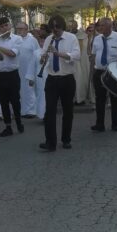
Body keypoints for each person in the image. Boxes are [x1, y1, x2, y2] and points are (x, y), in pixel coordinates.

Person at [39, 15, 81, 151]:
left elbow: (76, 55)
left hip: (67, 78)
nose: (55, 30)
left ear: (62, 26)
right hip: (52, 78)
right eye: (52, 27)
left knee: (68, 111)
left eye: (57, 27)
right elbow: (43, 56)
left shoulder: (71, 38)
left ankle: (66, 139)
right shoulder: (48, 39)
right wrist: (43, 58)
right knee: (50, 111)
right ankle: (50, 142)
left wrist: (59, 54)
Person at [90, 17, 117, 132]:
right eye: (99, 26)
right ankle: (99, 124)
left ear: (110, 26)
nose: (100, 28)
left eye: (102, 25)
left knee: (115, 98)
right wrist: (92, 71)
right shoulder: (97, 39)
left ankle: (115, 123)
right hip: (99, 71)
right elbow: (94, 55)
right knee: (100, 98)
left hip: (114, 72)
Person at [0, 16, 23, 137]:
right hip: (0, 75)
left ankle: (19, 123)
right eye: (2, 26)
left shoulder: (17, 39)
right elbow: (0, 58)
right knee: (3, 102)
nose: (5, 28)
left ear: (10, 26)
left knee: (15, 101)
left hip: (12, 75)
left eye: (6, 25)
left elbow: (12, 54)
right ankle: (8, 126)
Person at [14, 22, 39, 117]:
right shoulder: (14, 39)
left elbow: (37, 54)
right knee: (18, 90)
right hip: (17, 69)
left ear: (26, 29)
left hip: (29, 69)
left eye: (21, 28)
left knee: (29, 90)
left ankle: (31, 111)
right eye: (18, 29)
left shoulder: (32, 40)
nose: (19, 30)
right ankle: (20, 111)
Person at [74, 23, 91, 105]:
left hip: (86, 61)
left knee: (86, 78)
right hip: (77, 61)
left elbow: (89, 50)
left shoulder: (88, 38)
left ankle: (85, 97)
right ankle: (79, 98)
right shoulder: (74, 38)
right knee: (78, 79)